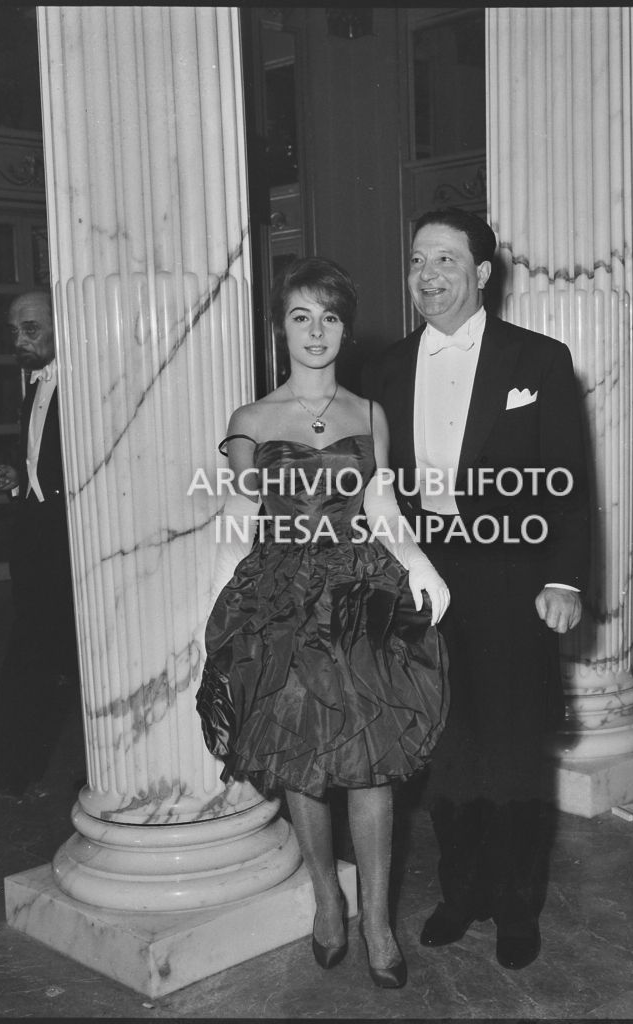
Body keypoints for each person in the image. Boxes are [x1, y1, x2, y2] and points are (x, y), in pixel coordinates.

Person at [195, 256, 450, 990]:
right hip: (277, 597)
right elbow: (237, 518)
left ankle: (376, 919)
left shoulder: (368, 414)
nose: (316, 331)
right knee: (300, 761)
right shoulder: (250, 421)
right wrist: (215, 615)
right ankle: (325, 898)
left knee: (372, 762)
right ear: (280, 327)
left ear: (346, 327)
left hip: (358, 593)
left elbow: (383, 509)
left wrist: (419, 568)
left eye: (330, 316)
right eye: (301, 316)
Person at [362, 208, 590, 970]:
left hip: (516, 576)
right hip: (424, 581)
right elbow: (372, 489)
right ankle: (462, 893)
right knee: (445, 745)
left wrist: (563, 576)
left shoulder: (540, 360)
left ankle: (518, 905)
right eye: (418, 260)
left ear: (483, 274)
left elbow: (569, 480)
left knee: (517, 747)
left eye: (446, 262)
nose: (428, 277)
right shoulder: (385, 369)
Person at [0, 290, 80, 798]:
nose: (19, 340)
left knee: (73, 660)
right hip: (36, 537)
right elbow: (38, 461)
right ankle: (6, 769)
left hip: (73, 540)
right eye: (13, 331)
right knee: (31, 654)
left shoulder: (85, 387)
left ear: (59, 327)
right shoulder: (33, 384)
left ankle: (105, 773)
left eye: (31, 329)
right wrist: (16, 478)